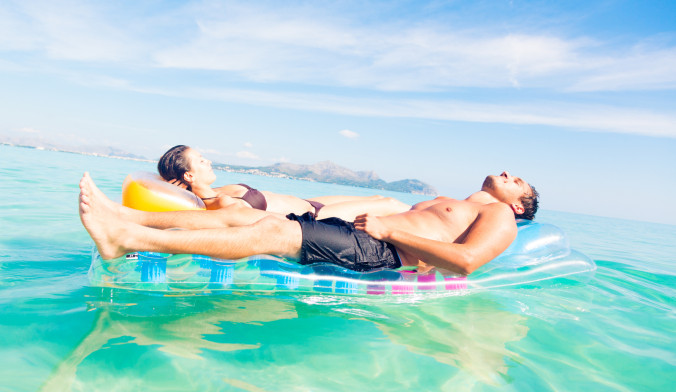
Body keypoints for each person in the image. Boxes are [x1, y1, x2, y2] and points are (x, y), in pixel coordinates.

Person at [79, 170, 539, 275]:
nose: (509, 176)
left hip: (383, 250)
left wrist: (390, 230)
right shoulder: (446, 200)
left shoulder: (498, 216)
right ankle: (124, 215)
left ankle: (125, 239)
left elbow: (467, 263)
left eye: (519, 183)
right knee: (244, 215)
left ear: (518, 206)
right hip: (357, 235)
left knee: (271, 232)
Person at [157, 145, 409, 221]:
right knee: (388, 202)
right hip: (316, 216)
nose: (208, 161)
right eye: (200, 161)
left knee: (377, 199)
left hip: (311, 202)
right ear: (188, 176)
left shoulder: (218, 192)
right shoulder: (217, 204)